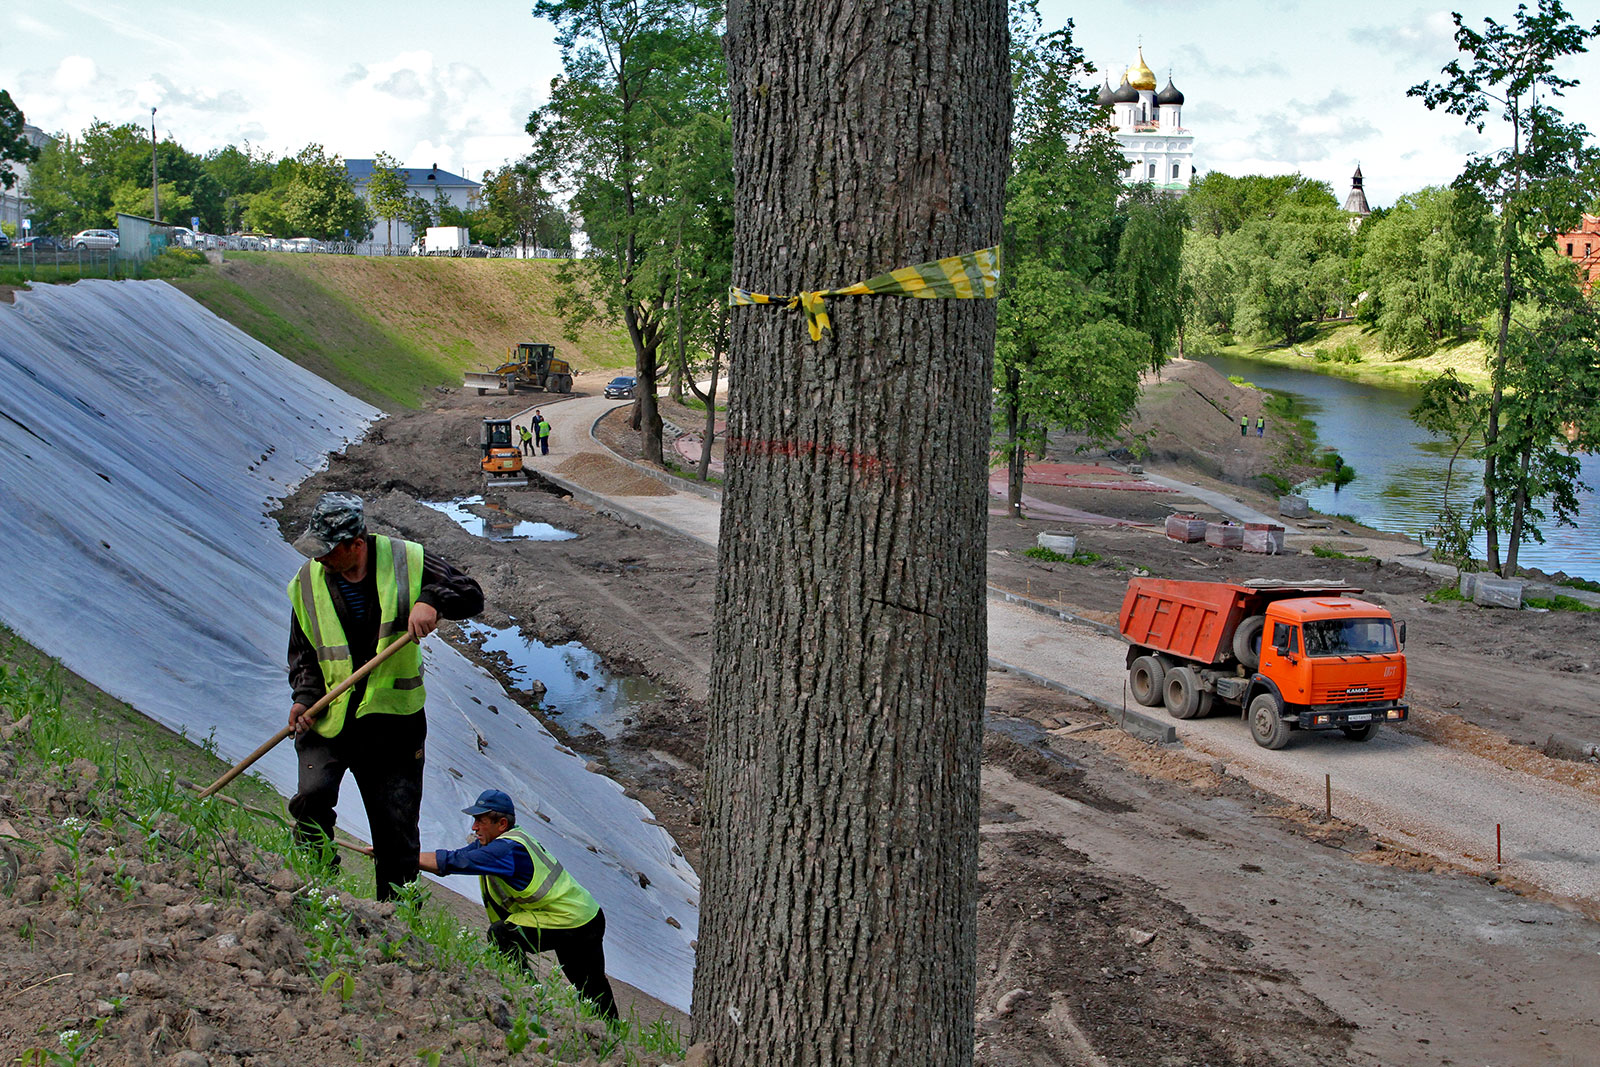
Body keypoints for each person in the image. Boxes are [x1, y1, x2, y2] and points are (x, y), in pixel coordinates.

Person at [286, 491, 484, 900]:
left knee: (395, 829)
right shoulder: (306, 583)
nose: (319, 559)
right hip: (332, 715)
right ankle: (316, 881)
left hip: (393, 725)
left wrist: (431, 600)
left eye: (327, 551)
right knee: (311, 798)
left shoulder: (406, 559)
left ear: (355, 545)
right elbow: (303, 652)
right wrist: (304, 697)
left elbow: (470, 593)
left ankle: (394, 917)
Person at [416, 788, 619, 1021]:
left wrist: (399, 855)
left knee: (502, 935)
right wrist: (401, 853)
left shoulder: (506, 850)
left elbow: (454, 862)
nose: (474, 827)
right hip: (583, 915)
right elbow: (456, 856)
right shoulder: (503, 843)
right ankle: (612, 1034)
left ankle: (530, 1001)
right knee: (591, 986)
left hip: (572, 921)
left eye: (480, 821)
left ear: (501, 823)